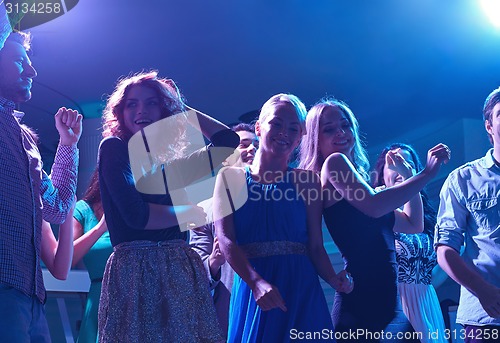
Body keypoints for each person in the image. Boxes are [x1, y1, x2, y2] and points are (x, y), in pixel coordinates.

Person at [97, 70, 239, 342]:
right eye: (133, 104)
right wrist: (190, 213)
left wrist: (181, 107)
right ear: (121, 112)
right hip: (136, 272)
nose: (142, 110)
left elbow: (227, 142)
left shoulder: (169, 163)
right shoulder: (114, 148)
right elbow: (136, 216)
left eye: (152, 102)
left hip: (180, 271)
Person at [299, 97, 450, 342]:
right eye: (329, 129)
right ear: (316, 138)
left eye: (345, 125)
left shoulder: (357, 180)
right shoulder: (334, 164)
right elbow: (375, 207)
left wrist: (410, 175)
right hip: (361, 300)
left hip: (387, 300)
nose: (341, 132)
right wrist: (426, 174)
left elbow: (413, 224)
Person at [214, 93, 353, 342]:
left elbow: (315, 246)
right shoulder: (229, 178)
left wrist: (334, 279)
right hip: (254, 289)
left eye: (293, 128)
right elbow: (226, 240)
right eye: (276, 123)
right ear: (259, 127)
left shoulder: (308, 181)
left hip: (301, 288)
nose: (284, 133)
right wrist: (255, 282)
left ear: (301, 135)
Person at [0, 30, 82, 342]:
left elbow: (58, 208)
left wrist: (68, 145)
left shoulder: (24, 139)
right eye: (20, 62)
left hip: (32, 298)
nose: (32, 71)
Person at [436, 86, 500, 342]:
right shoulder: (463, 179)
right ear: (488, 126)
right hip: (488, 317)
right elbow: (445, 250)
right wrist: (483, 291)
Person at [189, 122, 259, 339]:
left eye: (256, 144)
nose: (252, 149)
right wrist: (214, 261)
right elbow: (195, 272)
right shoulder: (202, 210)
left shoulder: (279, 197)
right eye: (244, 144)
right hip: (229, 313)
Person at [372, 143, 447, 342]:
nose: (400, 168)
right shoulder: (376, 204)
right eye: (393, 162)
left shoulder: (426, 211)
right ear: (381, 174)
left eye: (406, 163)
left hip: (425, 301)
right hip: (393, 301)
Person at [70, 168, 112, 343]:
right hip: (98, 300)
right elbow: (67, 259)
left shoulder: (138, 209)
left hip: (136, 297)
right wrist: (100, 228)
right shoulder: (83, 210)